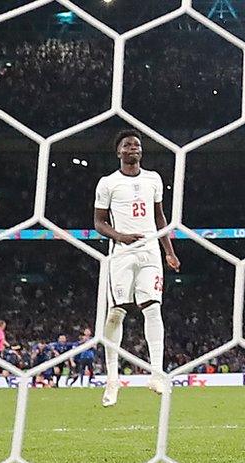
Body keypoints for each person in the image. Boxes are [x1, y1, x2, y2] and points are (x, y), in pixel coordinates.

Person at [93, 129, 181, 407]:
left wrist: (169, 252)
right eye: (128, 145)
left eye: (137, 145)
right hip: (121, 253)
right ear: (119, 151)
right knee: (116, 313)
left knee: (153, 308)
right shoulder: (108, 183)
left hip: (150, 251)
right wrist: (119, 236)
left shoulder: (153, 179)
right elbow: (98, 222)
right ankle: (112, 379)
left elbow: (159, 217)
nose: (133, 148)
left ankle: (156, 374)